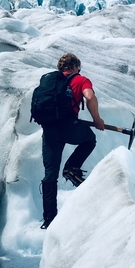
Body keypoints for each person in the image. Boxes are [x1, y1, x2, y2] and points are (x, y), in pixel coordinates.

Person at [37, 53, 104, 229]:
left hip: (49, 130)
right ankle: (71, 169)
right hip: (69, 126)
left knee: (50, 175)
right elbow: (89, 97)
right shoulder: (80, 80)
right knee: (89, 140)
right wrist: (97, 119)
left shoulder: (50, 81)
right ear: (75, 67)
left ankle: (49, 219)